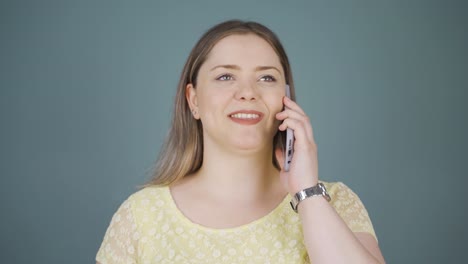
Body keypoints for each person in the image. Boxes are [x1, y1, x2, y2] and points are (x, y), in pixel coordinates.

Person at [96, 20, 385, 264]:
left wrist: (308, 194)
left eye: (267, 78)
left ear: (286, 98)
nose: (247, 92)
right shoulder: (140, 217)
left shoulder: (335, 202)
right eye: (225, 76)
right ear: (193, 100)